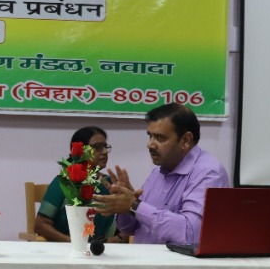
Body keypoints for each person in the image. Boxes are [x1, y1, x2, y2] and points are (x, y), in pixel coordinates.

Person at [93, 103, 229, 243]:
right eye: (150, 136)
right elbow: (129, 229)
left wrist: (134, 206)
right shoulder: (158, 171)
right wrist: (125, 206)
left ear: (185, 140)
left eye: (160, 138)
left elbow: (190, 233)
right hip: (143, 256)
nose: (150, 144)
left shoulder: (209, 173)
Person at [34, 126, 120, 243]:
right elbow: (40, 225)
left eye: (105, 146)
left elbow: (121, 228)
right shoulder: (64, 181)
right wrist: (76, 243)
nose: (104, 152)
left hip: (101, 249)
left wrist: (116, 239)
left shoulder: (108, 183)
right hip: (66, 248)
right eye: (98, 147)